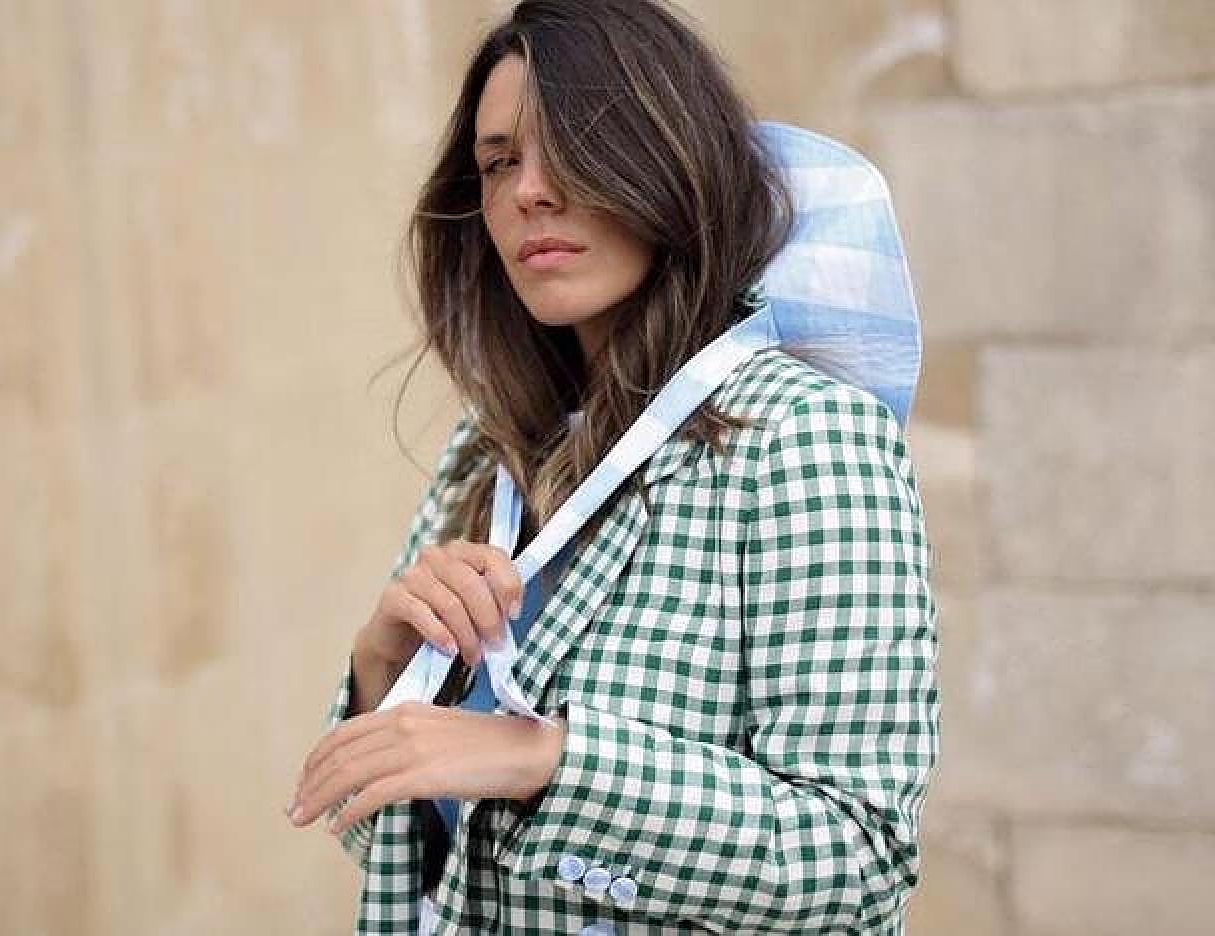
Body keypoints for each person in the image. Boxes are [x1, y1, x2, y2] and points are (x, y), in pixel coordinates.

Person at [287, 1, 939, 934]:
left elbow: (858, 860)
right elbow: (405, 845)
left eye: (578, 147)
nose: (529, 192)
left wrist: (545, 761)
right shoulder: (490, 448)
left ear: (670, 163)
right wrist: (383, 668)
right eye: (499, 161)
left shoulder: (806, 437)